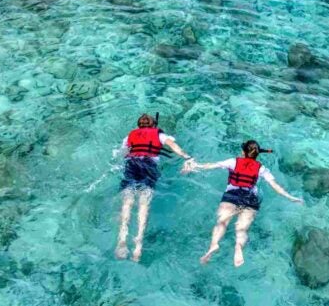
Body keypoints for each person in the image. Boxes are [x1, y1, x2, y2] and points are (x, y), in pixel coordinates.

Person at [181, 140, 303, 267]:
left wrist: (194, 165)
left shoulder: (233, 162)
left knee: (222, 222)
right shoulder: (261, 168)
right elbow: (275, 186)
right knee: (242, 229)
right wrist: (291, 197)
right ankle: (238, 247)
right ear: (257, 154)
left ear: (243, 152)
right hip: (250, 198)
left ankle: (214, 244)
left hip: (232, 195)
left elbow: (211, 165)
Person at [116, 113, 193, 262]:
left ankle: (122, 241)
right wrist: (187, 157)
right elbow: (173, 146)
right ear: (153, 125)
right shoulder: (160, 134)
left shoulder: (129, 136)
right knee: (143, 204)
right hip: (148, 166)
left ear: (139, 125)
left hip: (131, 164)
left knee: (127, 203)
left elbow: (122, 153)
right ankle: (138, 245)